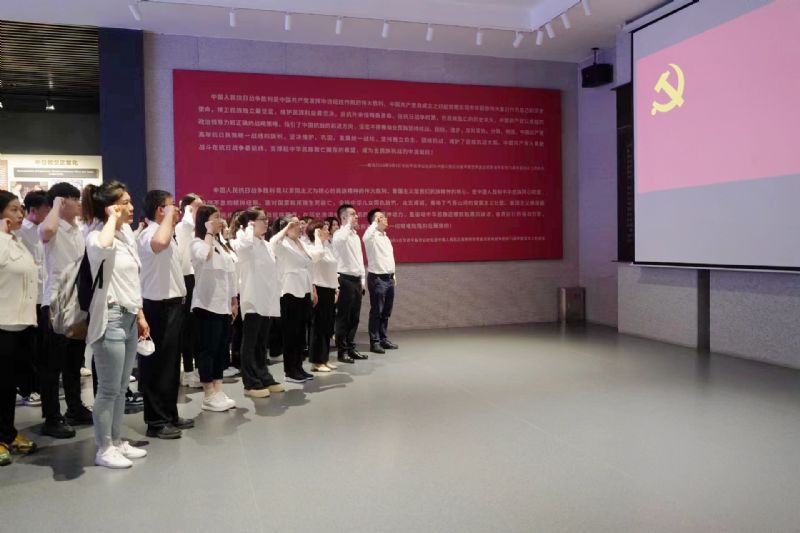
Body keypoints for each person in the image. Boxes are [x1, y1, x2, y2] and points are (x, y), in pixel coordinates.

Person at [83, 181, 150, 468]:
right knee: (108, 389)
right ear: (111, 207)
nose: (132, 207)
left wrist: (140, 314)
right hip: (109, 317)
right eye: (125, 202)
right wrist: (111, 217)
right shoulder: (96, 234)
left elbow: (132, 280)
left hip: (129, 315)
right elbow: (102, 248)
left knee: (122, 387)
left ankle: (117, 440)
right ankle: (104, 447)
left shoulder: (126, 235)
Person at [136, 190, 193, 439]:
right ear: (160, 209)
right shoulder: (149, 233)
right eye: (172, 206)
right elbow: (159, 244)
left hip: (172, 304)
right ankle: (156, 421)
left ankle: (170, 413)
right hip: (156, 306)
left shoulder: (166, 232)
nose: (177, 210)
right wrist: (169, 217)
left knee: (170, 365)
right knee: (156, 365)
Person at [38, 182, 93, 438]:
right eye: (74, 199)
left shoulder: (78, 230)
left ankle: (74, 407)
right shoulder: (52, 226)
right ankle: (51, 417)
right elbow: (46, 231)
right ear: (61, 201)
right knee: (52, 365)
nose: (79, 204)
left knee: (74, 360)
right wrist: (56, 205)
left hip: (77, 302)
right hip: (55, 303)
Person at [0, 191, 39, 466]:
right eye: (13, 210)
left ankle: (8, 434)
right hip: (2, 325)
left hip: (21, 325)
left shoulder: (17, 241)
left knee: (9, 386)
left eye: (20, 209)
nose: (20, 214)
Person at [190, 205, 238, 412]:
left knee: (220, 349)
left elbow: (230, 273)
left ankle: (218, 390)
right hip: (206, 305)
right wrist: (209, 233)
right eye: (215, 217)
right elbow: (203, 256)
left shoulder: (220, 244)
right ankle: (208, 393)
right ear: (205, 221)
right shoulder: (197, 243)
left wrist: (234, 299)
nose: (220, 221)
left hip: (223, 305)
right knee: (207, 350)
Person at [236, 208, 285, 397]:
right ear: (251, 223)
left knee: (261, 343)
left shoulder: (265, 244)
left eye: (266, 218)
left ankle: (263, 375)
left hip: (267, 300)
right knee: (250, 343)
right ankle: (250, 382)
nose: (266, 222)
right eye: (261, 219)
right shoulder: (243, 239)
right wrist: (248, 228)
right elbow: (244, 246)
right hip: (253, 299)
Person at [14, 190, 50, 407]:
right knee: (28, 346)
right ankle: (28, 389)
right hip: (26, 297)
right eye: (46, 209)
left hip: (42, 295)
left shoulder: (44, 229)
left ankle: (39, 387)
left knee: (41, 345)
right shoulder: (20, 231)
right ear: (33, 210)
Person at [271, 215, 314, 383]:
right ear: (286, 228)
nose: (299, 227)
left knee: (300, 333)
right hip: (289, 291)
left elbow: (310, 260)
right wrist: (285, 229)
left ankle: (298, 367)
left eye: (298, 224)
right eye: (294, 224)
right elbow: (273, 243)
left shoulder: (300, 243)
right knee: (291, 333)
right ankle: (290, 371)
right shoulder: (282, 243)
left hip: (304, 289)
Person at [331, 204, 367, 364]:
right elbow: (340, 240)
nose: (357, 217)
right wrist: (347, 226)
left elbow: (360, 259)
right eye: (353, 214)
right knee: (343, 317)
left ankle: (351, 347)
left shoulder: (355, 236)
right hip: (344, 279)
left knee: (354, 317)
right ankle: (342, 351)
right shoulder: (339, 234)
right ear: (343, 217)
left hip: (356, 280)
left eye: (356, 214)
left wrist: (363, 279)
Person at [176, 193, 202, 388]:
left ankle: (198, 369)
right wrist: (187, 210)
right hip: (187, 279)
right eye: (196, 207)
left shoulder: (199, 230)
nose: (200, 210)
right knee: (187, 328)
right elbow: (187, 224)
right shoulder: (182, 227)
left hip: (200, 278)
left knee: (197, 328)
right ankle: (188, 371)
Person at [363, 208, 399, 354]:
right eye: (381, 217)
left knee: (386, 311)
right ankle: (375, 342)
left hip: (388, 278)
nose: (386, 219)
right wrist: (374, 224)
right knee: (377, 311)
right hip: (377, 278)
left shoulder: (385, 237)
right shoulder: (371, 237)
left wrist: (393, 275)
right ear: (375, 220)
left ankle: (383, 339)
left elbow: (389, 258)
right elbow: (365, 237)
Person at [306, 220, 339, 372]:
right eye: (325, 229)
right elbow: (311, 269)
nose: (328, 231)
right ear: (317, 232)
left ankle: (324, 359)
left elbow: (333, 269)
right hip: (319, 289)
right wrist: (313, 288)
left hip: (329, 289)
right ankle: (316, 361)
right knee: (318, 326)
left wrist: (336, 288)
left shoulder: (327, 247)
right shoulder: (312, 248)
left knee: (327, 326)